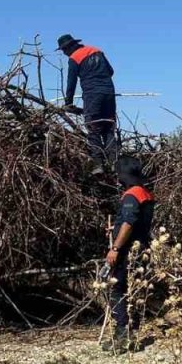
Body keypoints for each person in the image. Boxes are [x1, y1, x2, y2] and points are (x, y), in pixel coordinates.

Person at [104, 156, 155, 348]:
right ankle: (132, 334)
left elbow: (128, 222)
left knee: (117, 289)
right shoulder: (146, 194)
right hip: (142, 248)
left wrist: (115, 247)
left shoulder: (131, 195)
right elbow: (135, 223)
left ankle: (121, 336)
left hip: (127, 251)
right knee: (133, 290)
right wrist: (115, 228)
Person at [57, 33, 118, 175]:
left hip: (92, 95)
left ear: (69, 47)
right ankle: (114, 163)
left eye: (64, 50)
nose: (64, 53)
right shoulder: (97, 51)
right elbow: (111, 71)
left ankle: (98, 165)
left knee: (93, 128)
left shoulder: (74, 58)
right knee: (108, 128)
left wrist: (68, 103)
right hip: (109, 93)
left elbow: (71, 82)